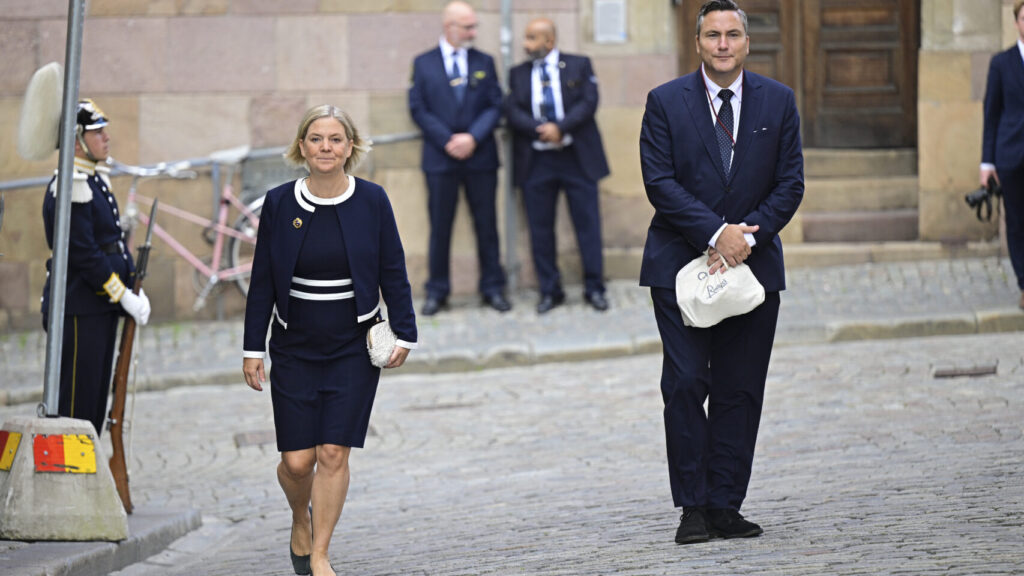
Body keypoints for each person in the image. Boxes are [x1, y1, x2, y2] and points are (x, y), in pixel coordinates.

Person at [638, 0, 803, 544]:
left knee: (739, 389)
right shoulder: (665, 102)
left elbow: (790, 183)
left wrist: (744, 237)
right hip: (679, 264)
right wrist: (716, 234)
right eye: (714, 35)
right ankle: (692, 507)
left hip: (754, 268)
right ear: (699, 42)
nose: (724, 44)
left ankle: (725, 505)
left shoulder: (778, 102)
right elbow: (659, 182)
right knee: (686, 383)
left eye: (733, 34)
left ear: (747, 42)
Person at [241, 105, 418, 576]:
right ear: (302, 146)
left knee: (333, 452)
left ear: (350, 147)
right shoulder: (279, 203)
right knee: (298, 463)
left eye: (336, 139)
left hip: (351, 344)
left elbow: (392, 269)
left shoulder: (373, 200)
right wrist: (252, 348)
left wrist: (406, 331)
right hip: (294, 343)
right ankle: (300, 517)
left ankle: (319, 554)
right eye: (316, 139)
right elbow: (261, 280)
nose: (326, 147)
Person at [39, 99, 151, 437]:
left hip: (97, 307)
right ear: (76, 140)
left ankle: (87, 473)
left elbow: (111, 243)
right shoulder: (70, 185)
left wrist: (133, 285)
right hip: (80, 309)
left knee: (95, 402)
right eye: (96, 132)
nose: (106, 137)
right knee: (78, 405)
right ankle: (70, 479)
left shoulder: (92, 180)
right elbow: (84, 255)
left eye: (104, 130)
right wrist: (123, 297)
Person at [408, 0, 510, 315]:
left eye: (474, 26)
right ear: (449, 26)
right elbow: (418, 108)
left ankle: (492, 288)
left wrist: (473, 137)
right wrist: (447, 140)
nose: (473, 32)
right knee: (440, 227)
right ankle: (437, 291)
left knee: (487, 226)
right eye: (468, 27)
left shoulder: (484, 61)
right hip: (441, 160)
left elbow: (495, 104)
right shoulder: (423, 63)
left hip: (480, 158)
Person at [506, 18, 611, 313]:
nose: (525, 45)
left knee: (587, 226)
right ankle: (550, 290)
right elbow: (512, 109)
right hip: (536, 160)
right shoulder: (517, 73)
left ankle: (595, 287)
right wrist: (541, 129)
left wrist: (561, 128)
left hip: (576, 158)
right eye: (525, 38)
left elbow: (589, 102)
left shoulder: (579, 65)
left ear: (549, 42)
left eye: (531, 38)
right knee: (540, 229)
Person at [980, 0, 1024, 310]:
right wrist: (987, 163)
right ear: (1016, 22)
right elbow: (991, 114)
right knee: (1017, 223)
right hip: (1012, 157)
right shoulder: (1001, 63)